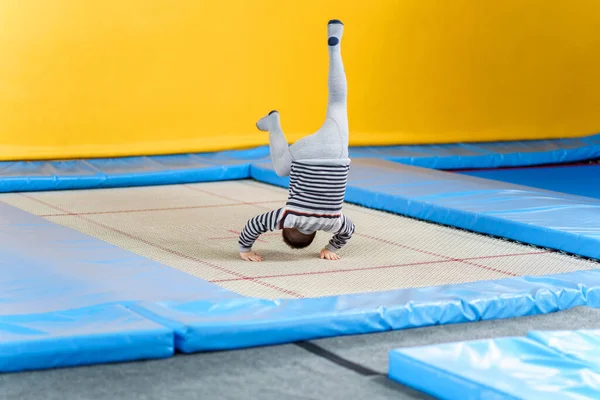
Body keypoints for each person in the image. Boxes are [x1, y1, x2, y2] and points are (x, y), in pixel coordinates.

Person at [238, 19, 355, 262]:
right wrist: (245, 249)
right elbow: (254, 225)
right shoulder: (287, 216)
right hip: (306, 154)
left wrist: (331, 249)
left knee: (338, 101)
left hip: (337, 150)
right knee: (282, 168)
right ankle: (274, 123)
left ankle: (335, 45)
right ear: (285, 229)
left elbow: (349, 231)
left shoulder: (335, 221)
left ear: (315, 234)